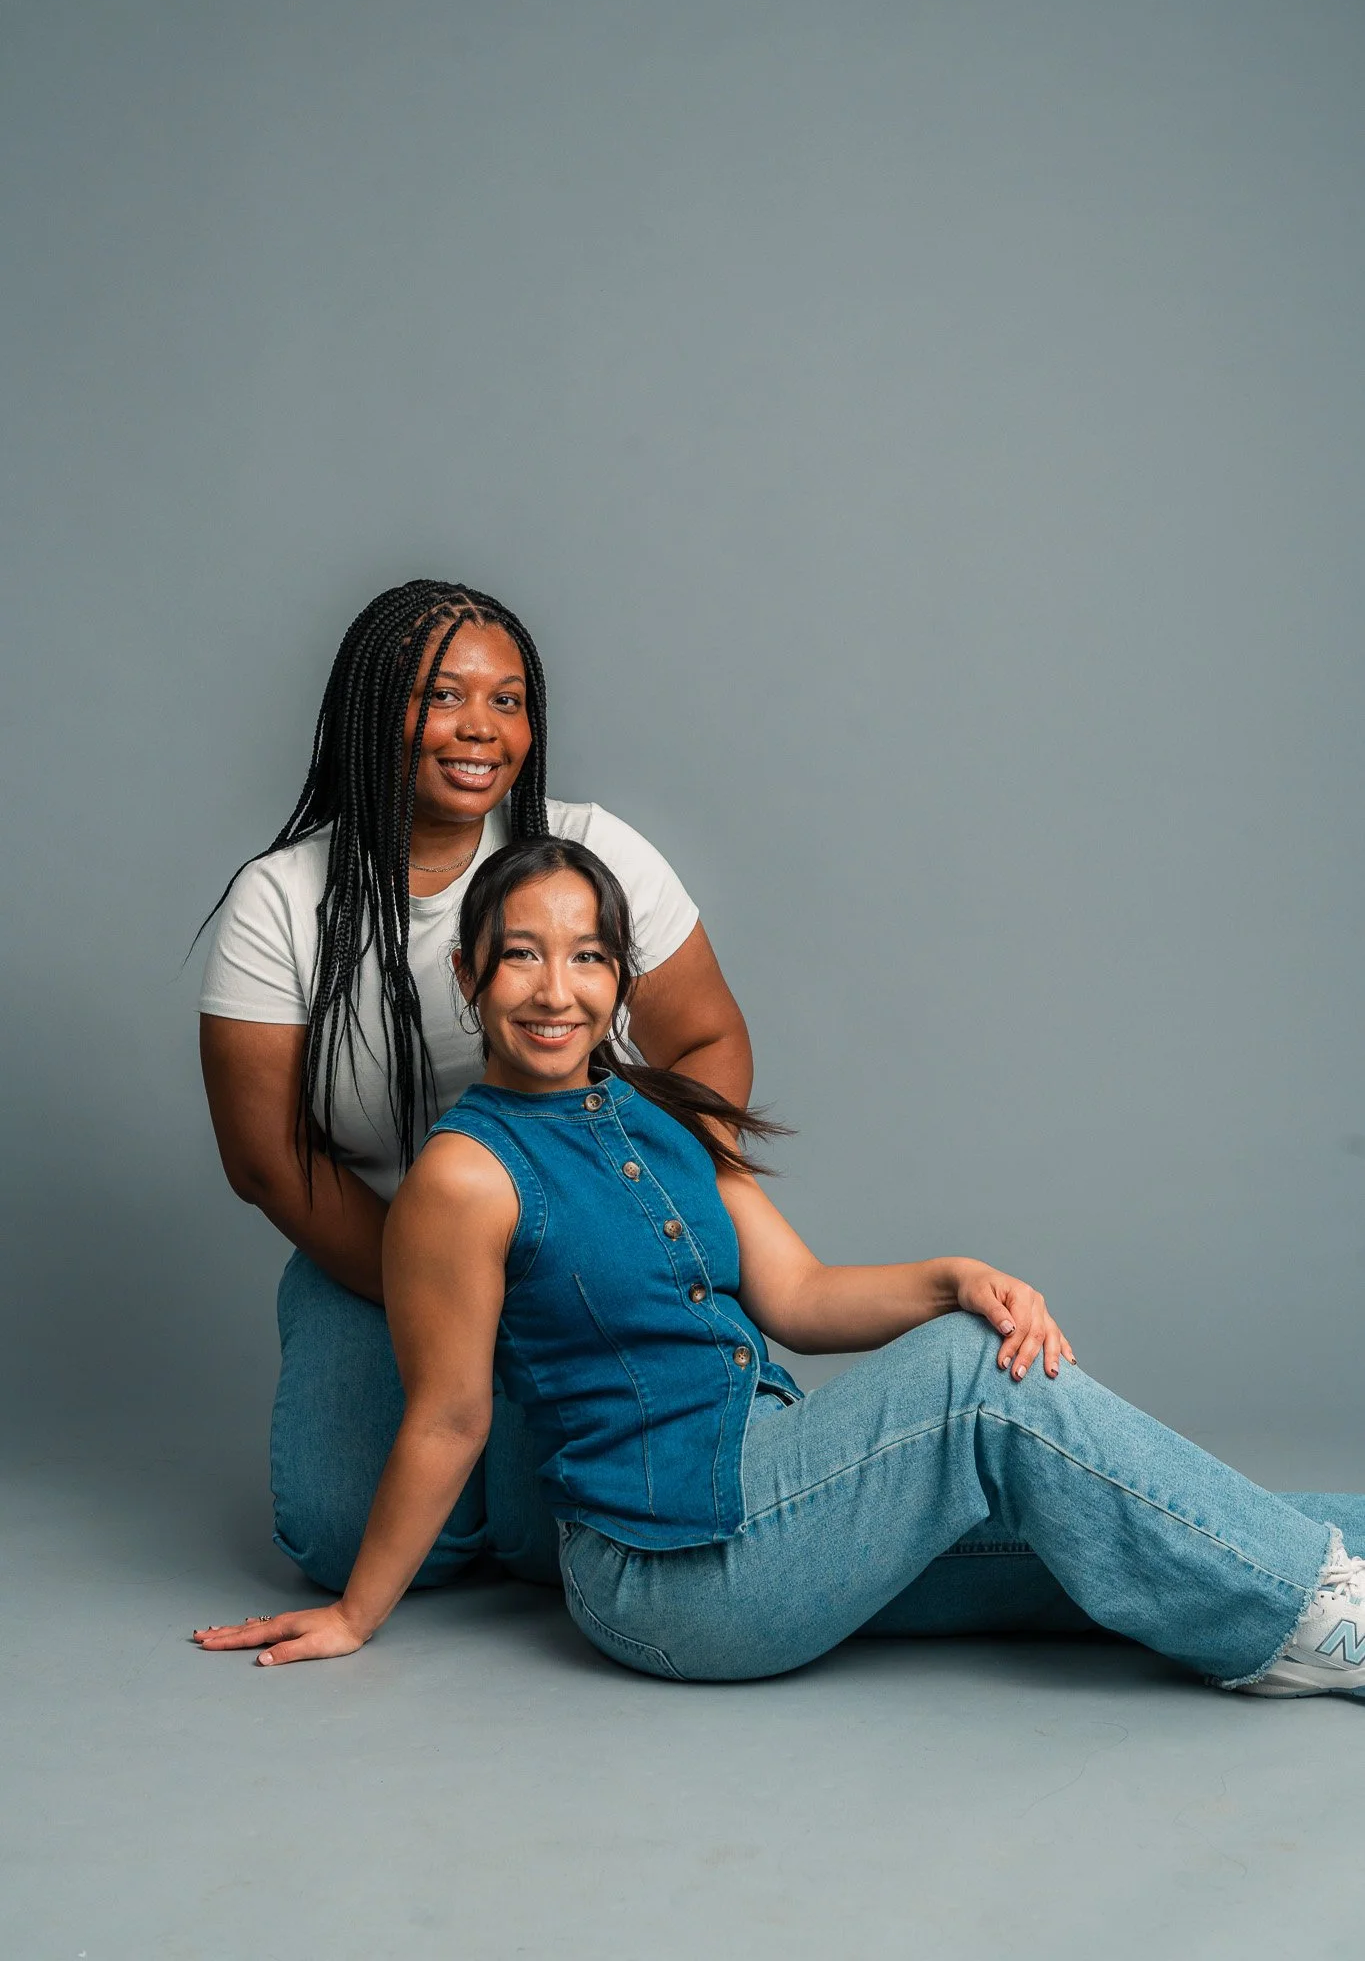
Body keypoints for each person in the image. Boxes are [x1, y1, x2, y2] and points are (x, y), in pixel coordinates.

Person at [195, 840, 1365, 1698]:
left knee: (1109, 1528)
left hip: (778, 1490)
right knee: (975, 1377)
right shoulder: (464, 1175)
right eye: (521, 958)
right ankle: (1314, 1623)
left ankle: (1316, 1587)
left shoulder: (661, 1112)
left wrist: (955, 1273)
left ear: (620, 977)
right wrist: (355, 1613)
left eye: (589, 956)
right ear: (469, 977)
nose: (556, 990)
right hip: (673, 1577)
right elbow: (449, 1416)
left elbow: (799, 1297)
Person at [199, 580, 753, 1592]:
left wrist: (654, 1222)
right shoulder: (281, 898)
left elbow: (708, 1039)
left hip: (578, 1247)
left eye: (508, 699)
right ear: (375, 710)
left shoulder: (592, 852)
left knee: (565, 1540)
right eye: (443, 695)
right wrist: (442, 1297)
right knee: (341, 1538)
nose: (480, 728)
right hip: (379, 1251)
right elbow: (267, 1161)